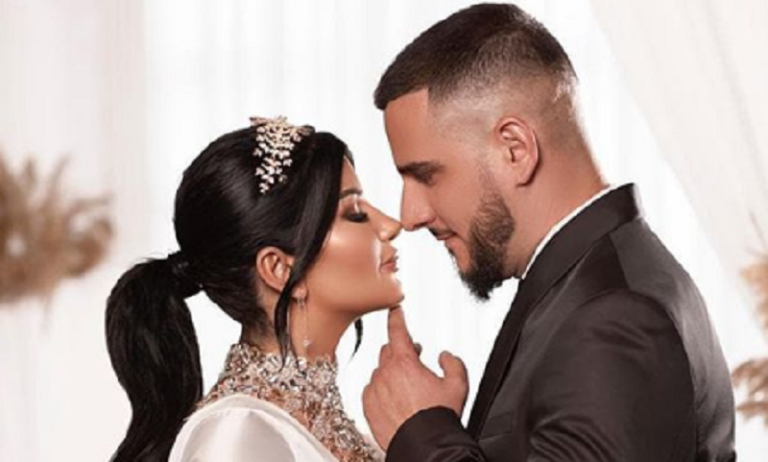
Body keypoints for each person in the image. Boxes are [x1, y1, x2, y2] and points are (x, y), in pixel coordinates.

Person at [362, 3, 736, 461]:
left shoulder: (614, 318)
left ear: (515, 150)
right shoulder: (597, 283)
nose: (410, 215)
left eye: (426, 175)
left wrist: (421, 430)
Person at [106, 116, 402, 462]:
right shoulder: (234, 435)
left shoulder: (331, 431)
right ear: (279, 269)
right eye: (354, 213)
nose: (391, 225)